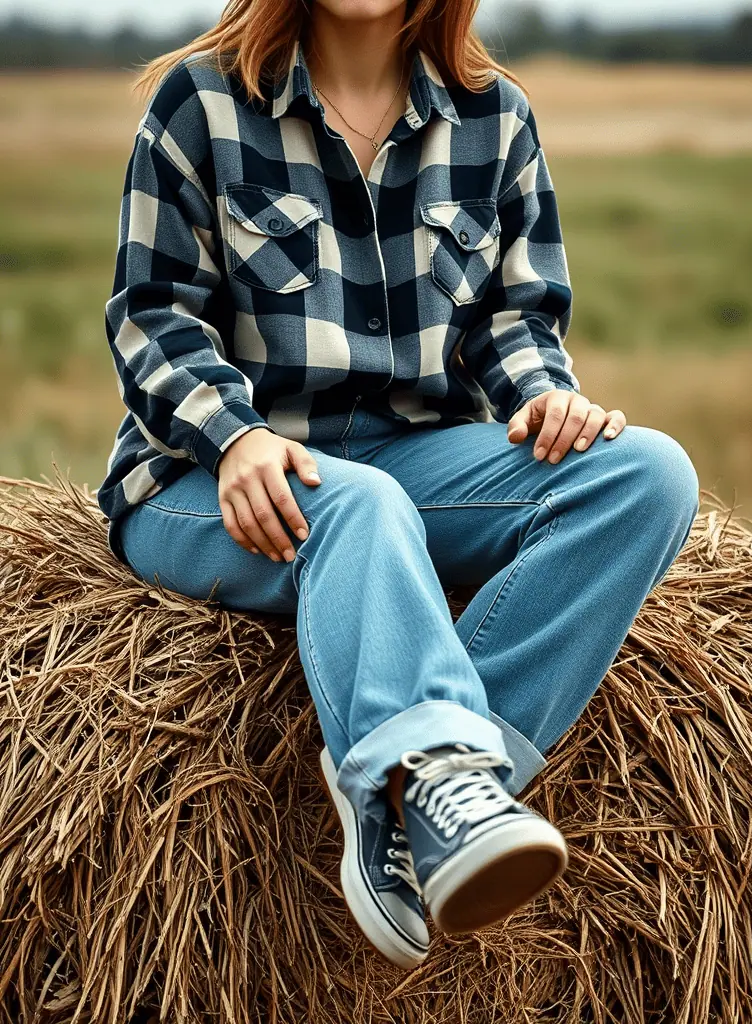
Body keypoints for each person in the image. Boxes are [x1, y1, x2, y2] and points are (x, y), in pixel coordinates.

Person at [96, 0, 700, 972]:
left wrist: (547, 400)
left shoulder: (493, 116)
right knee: (356, 502)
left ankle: (443, 806)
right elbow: (154, 317)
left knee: (647, 476)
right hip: (206, 474)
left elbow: (516, 317)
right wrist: (236, 434)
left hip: (412, 455)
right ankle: (423, 776)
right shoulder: (202, 104)